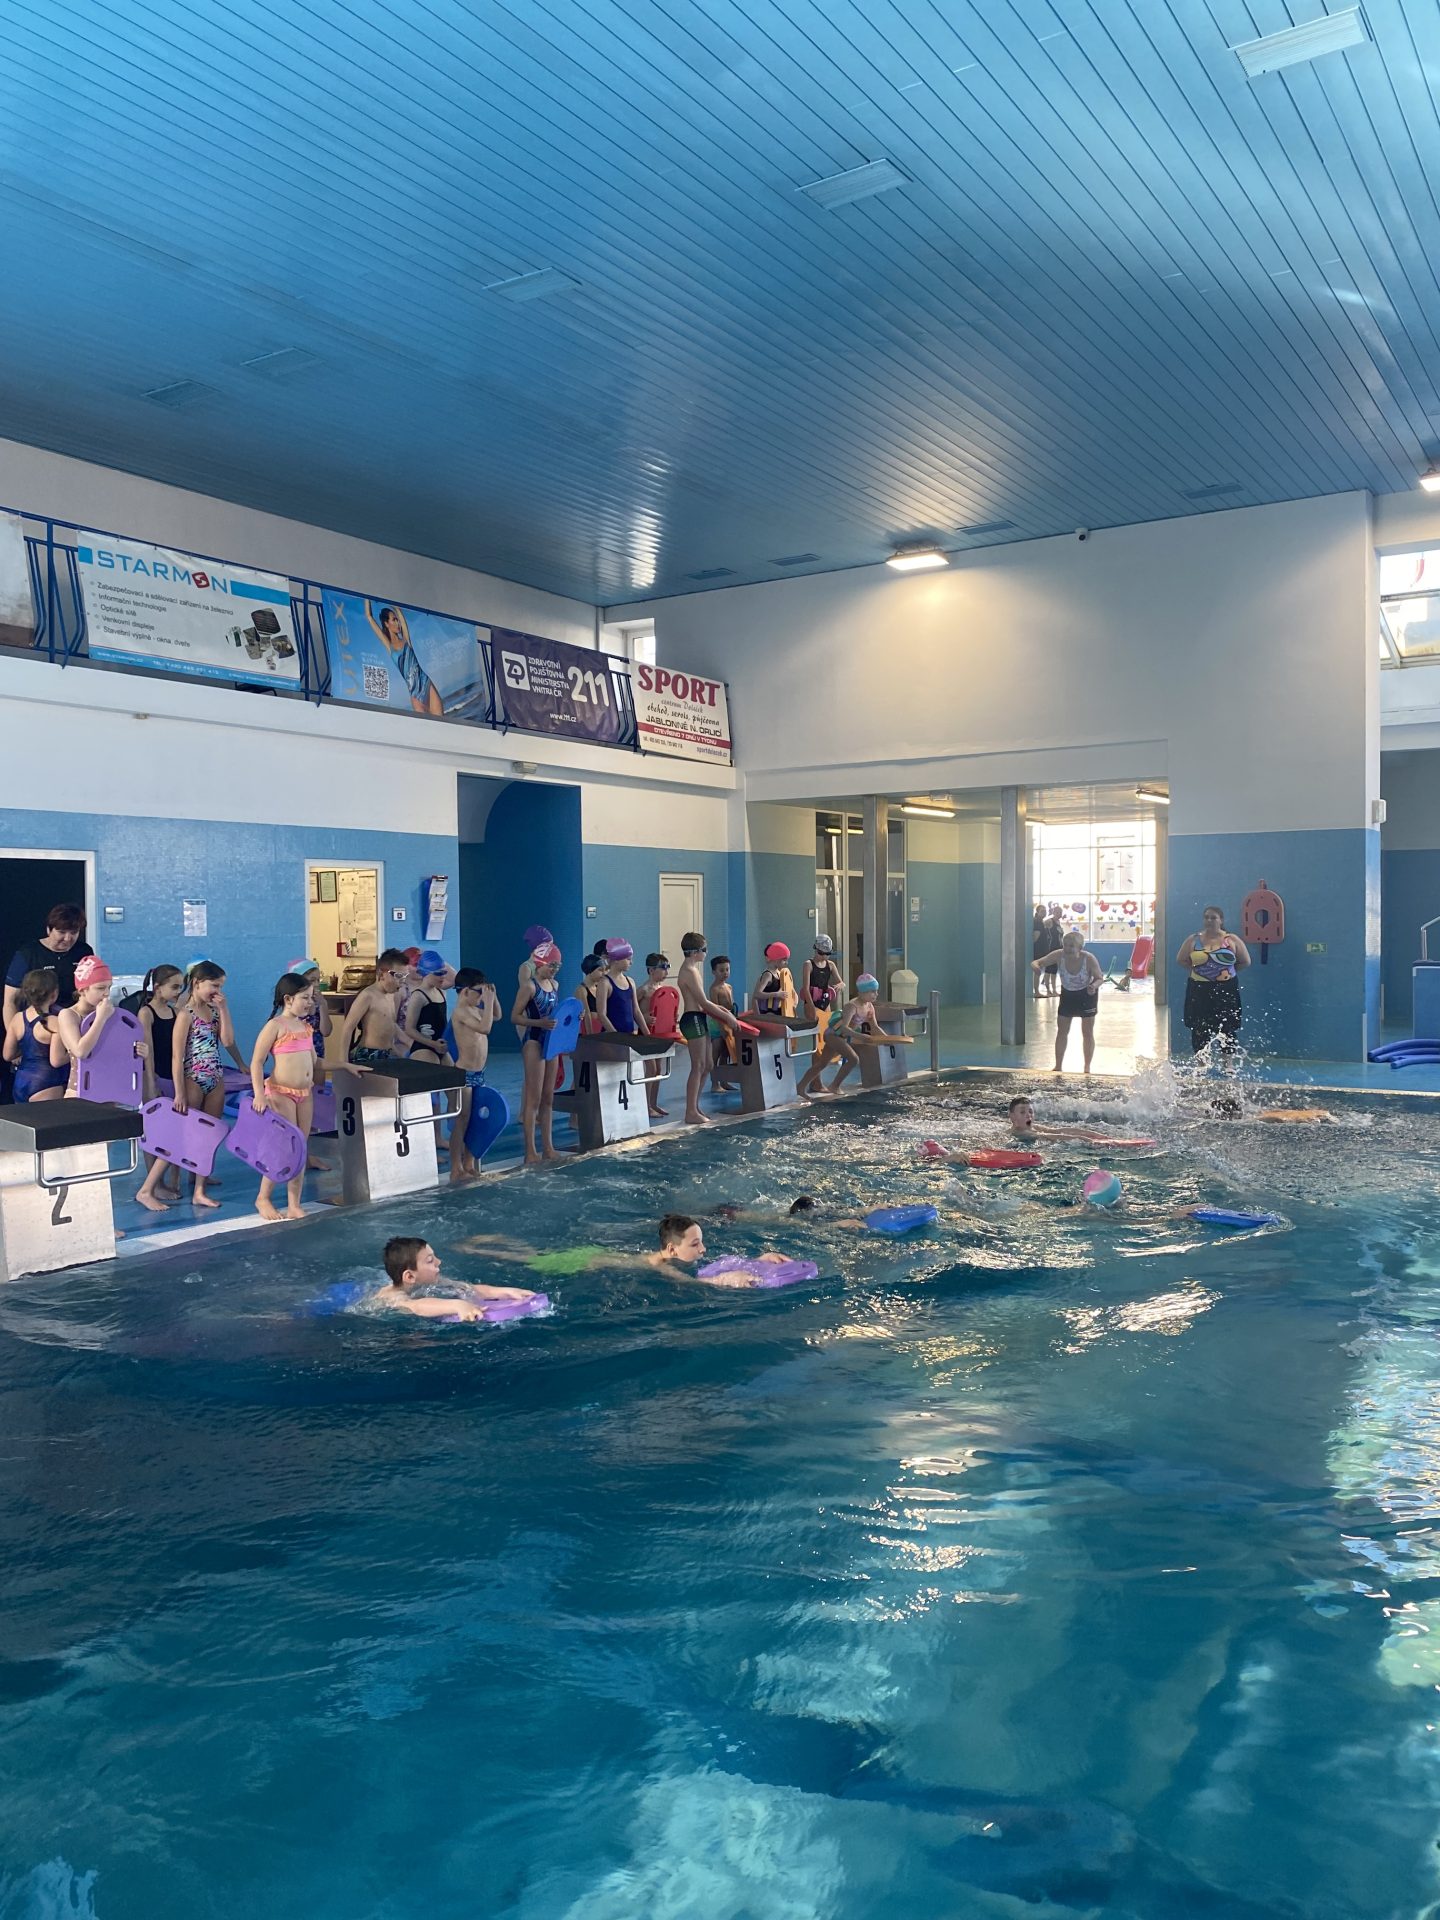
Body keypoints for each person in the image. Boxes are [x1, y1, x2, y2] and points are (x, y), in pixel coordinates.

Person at [457, 1213, 793, 1288]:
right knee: (527, 1260)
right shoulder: (660, 1264)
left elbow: (720, 1263)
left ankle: (491, 1241)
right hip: (583, 1263)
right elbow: (694, 1282)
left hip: (594, 1254)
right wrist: (723, 1282)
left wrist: (758, 1261)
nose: (703, 1249)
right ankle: (477, 1248)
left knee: (535, 1255)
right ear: (671, 1249)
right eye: (695, 1244)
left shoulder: (672, 1256)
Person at [168, 961, 241, 1210]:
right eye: (214, 985)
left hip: (215, 1077)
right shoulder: (185, 1015)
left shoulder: (214, 1011)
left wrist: (224, 1009)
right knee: (189, 1132)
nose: (217, 991)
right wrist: (179, 1092)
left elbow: (227, 1041)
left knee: (209, 1133)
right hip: (193, 1077)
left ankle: (199, 1185)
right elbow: (177, 1056)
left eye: (220, 986)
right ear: (197, 983)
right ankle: (176, 1177)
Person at [249, 972, 318, 1222]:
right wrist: (259, 1095)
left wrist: (345, 1065)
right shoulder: (276, 1026)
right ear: (288, 999)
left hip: (304, 1093)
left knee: (300, 1146)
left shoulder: (306, 1027)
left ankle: (293, 1204)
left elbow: (315, 1062)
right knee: (283, 1145)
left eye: (311, 997)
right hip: (281, 1093)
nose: (310, 1002)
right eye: (305, 998)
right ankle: (263, 1197)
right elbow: (257, 1062)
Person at [378, 1237, 540, 1320]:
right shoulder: (393, 1297)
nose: (439, 1262)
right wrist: (457, 1305)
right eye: (430, 1260)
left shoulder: (432, 1282)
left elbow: (468, 1289)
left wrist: (503, 1292)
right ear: (410, 1276)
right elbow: (416, 1307)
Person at [132, 964, 185, 1209]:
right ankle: (154, 1184)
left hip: (171, 1076)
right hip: (151, 1076)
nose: (178, 991)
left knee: (173, 1130)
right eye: (174, 987)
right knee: (153, 1132)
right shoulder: (146, 1012)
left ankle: (170, 1179)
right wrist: (151, 1082)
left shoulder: (175, 1012)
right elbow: (148, 1051)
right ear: (157, 987)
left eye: (180, 987)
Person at [677, 932, 738, 1126]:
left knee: (708, 1065)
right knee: (698, 1066)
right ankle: (690, 1112)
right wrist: (727, 1016)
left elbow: (704, 1003)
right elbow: (703, 1002)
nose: (706, 953)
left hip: (699, 1017)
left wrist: (724, 1011)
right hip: (692, 1019)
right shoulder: (689, 971)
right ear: (695, 951)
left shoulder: (693, 969)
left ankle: (695, 1108)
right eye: (704, 949)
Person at [511, 941, 563, 1165]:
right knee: (534, 1098)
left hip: (551, 1043)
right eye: (551, 965)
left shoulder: (555, 985)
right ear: (539, 963)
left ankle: (548, 1147)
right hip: (533, 1041)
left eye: (557, 966)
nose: (554, 970)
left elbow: (556, 1013)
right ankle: (530, 1151)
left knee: (548, 1097)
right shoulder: (529, 987)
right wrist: (539, 1023)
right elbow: (515, 1017)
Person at [3, 903, 94, 1028]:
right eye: (61, 932)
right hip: (38, 1024)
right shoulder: (28, 954)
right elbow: (10, 1001)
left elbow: (93, 989)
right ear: (49, 930)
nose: (67, 938)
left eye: (74, 932)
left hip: (75, 1021)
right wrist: (13, 1035)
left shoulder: (84, 951)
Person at [1177, 906, 1251, 1057]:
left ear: (1221, 920)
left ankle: (1228, 1063)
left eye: (1213, 917)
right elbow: (1181, 959)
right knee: (1199, 1028)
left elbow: (1245, 961)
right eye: (1206, 917)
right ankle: (1201, 1063)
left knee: (1227, 1027)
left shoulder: (1232, 940)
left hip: (1226, 989)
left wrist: (1226, 973)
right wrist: (1199, 972)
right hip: (1199, 989)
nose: (1209, 920)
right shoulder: (1193, 940)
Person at [449, 967, 498, 1184]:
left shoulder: (476, 1009)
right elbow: (486, 1028)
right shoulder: (460, 1012)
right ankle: (455, 1168)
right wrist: (488, 1001)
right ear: (464, 991)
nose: (481, 996)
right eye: (478, 991)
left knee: (475, 1120)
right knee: (462, 1120)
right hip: (464, 1073)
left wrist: (492, 996)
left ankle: (468, 1164)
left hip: (479, 1073)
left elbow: (497, 1016)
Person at [1032, 929, 1103, 1073]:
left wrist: (1094, 986)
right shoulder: (1059, 955)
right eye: (1065, 945)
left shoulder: (1089, 959)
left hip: (1086, 994)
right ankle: (1058, 1065)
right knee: (1062, 1031)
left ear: (1080, 948)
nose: (1067, 949)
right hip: (1067, 994)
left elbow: (1099, 978)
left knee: (1087, 1032)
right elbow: (1037, 962)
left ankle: (1087, 1067)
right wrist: (1036, 968)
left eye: (1071, 946)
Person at [801, 971, 873, 1097]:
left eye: (876, 991)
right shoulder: (852, 1006)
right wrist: (861, 1037)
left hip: (840, 1036)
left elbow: (875, 1027)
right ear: (862, 992)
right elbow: (844, 1028)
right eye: (872, 991)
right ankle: (835, 1086)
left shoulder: (869, 1007)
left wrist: (889, 1039)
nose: (876, 994)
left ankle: (800, 1087)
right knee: (853, 1059)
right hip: (833, 1035)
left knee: (822, 1063)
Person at [368, 604, 444, 718]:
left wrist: (394, 606)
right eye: (394, 620)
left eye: (397, 620)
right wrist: (367, 598)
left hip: (427, 686)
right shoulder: (390, 647)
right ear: (386, 624)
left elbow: (398, 610)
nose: (397, 623)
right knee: (427, 727)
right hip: (416, 696)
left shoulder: (406, 640)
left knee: (443, 723)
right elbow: (369, 617)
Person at [4, 968, 68, 1103]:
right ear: (54, 994)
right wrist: (75, 1053)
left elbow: (7, 1055)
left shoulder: (17, 1019)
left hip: (21, 1081)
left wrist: (29, 1049)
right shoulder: (55, 1022)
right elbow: (56, 1060)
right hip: (46, 1082)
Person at [340, 949, 410, 1065]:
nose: (402, 981)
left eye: (404, 976)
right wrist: (344, 1062)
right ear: (382, 975)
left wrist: (400, 1048)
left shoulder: (392, 995)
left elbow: (390, 1025)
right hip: (368, 1055)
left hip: (387, 1053)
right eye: (398, 976)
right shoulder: (368, 996)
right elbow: (348, 1028)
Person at [639, 953, 681, 1116]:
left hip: (660, 1034)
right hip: (646, 1034)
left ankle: (653, 1104)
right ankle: (644, 1105)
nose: (666, 972)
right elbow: (632, 1011)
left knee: (658, 1069)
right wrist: (644, 1017)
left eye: (667, 968)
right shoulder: (643, 990)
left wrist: (672, 1017)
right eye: (663, 968)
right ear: (651, 970)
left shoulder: (663, 991)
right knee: (651, 1068)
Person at [401, 949, 450, 1063]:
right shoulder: (418, 996)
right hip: (423, 1048)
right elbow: (409, 1029)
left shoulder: (441, 992)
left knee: (454, 1073)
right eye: (438, 973)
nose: (443, 977)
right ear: (426, 973)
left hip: (439, 1046)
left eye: (444, 972)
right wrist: (433, 1044)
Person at [593, 938, 649, 1038]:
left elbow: (636, 1011)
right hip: (611, 1038)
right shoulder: (605, 983)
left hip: (629, 1035)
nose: (631, 963)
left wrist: (647, 1034)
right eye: (628, 959)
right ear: (616, 960)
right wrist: (616, 1036)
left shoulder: (630, 982)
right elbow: (601, 1015)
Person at [706, 954, 735, 1095]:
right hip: (717, 1023)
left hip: (728, 1021)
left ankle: (724, 1081)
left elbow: (731, 1007)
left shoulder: (729, 987)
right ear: (714, 972)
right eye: (721, 970)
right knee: (716, 1053)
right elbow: (715, 1010)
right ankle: (714, 1083)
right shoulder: (714, 989)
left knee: (726, 1052)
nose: (725, 973)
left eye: (727, 970)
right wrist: (722, 1027)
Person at [751, 941, 799, 1017]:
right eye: (784, 960)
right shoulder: (768, 975)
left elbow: (791, 991)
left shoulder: (781, 974)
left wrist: (794, 1001)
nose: (786, 963)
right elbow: (757, 994)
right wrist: (776, 994)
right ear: (776, 958)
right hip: (769, 1013)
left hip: (781, 1012)